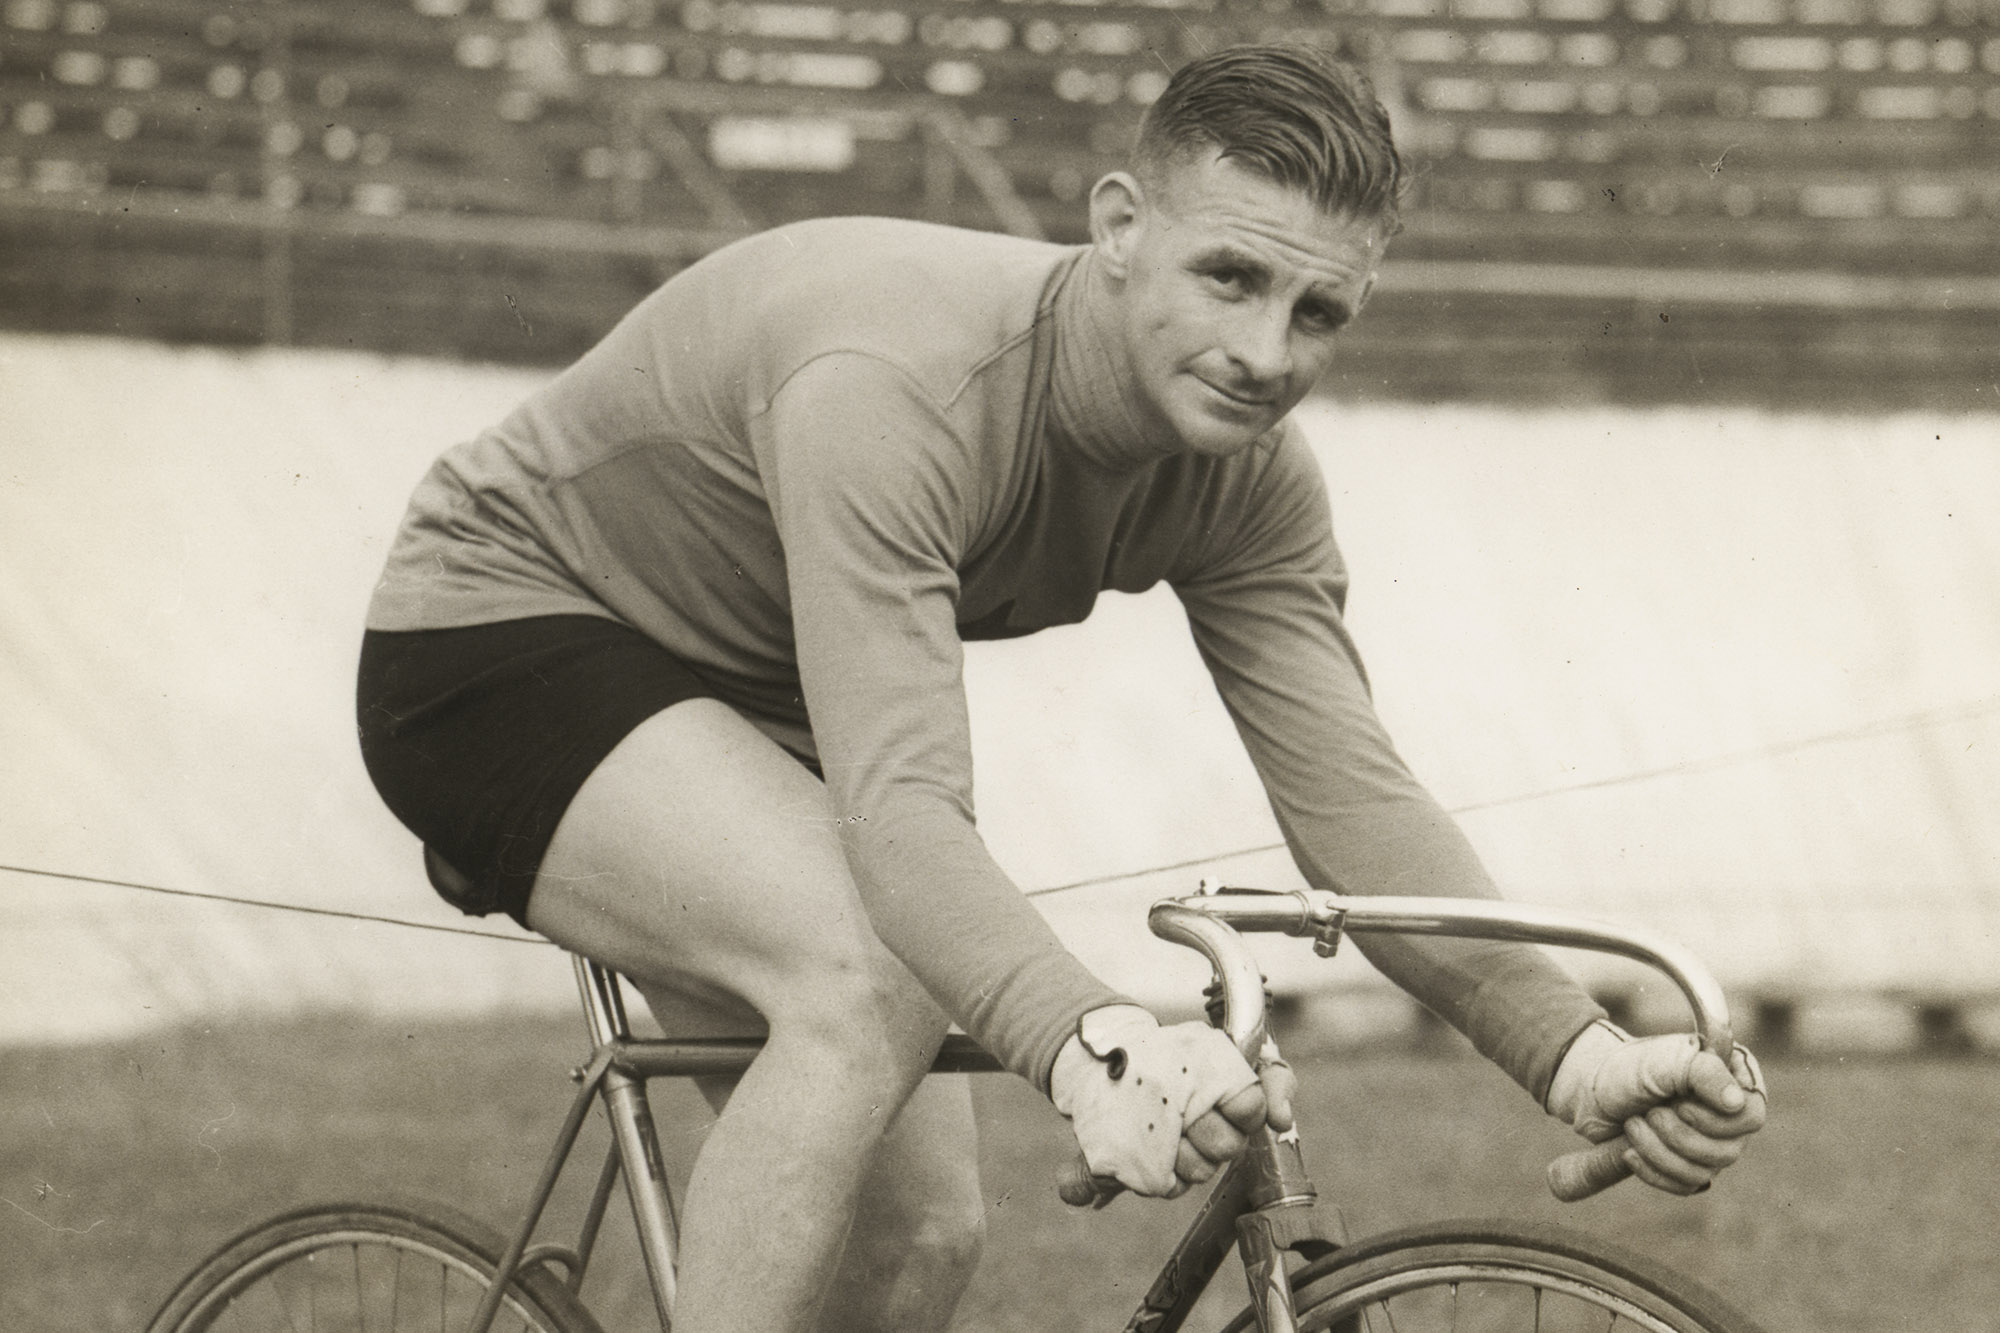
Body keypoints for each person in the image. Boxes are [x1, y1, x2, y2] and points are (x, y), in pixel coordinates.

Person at [356, 44, 1766, 1333]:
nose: (1270, 353)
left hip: (735, 687)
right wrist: (1095, 1040)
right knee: (865, 982)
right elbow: (902, 812)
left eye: (1320, 309)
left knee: (922, 1234)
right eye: (1231, 277)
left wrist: (1570, 1047)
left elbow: (1352, 790)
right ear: (1115, 228)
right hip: (499, 635)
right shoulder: (897, 386)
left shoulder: (1248, 476)